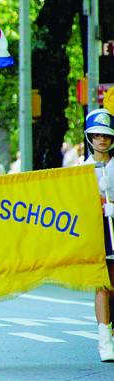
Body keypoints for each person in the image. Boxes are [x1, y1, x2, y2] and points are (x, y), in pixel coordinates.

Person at [81, 108, 114, 362]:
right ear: (89, 138)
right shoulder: (80, 171)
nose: (102, 140)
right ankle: (104, 340)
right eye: (97, 135)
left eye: (106, 135)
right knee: (102, 284)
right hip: (97, 229)